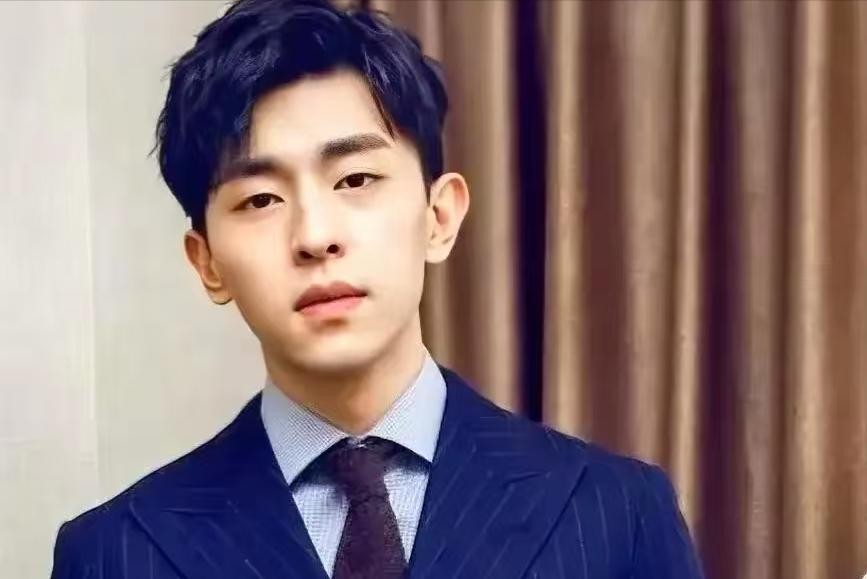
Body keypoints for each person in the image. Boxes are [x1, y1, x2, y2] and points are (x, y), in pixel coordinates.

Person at [50, 0, 704, 577]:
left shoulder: (618, 515)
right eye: (260, 199)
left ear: (439, 216)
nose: (315, 236)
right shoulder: (112, 554)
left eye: (355, 180)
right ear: (207, 263)